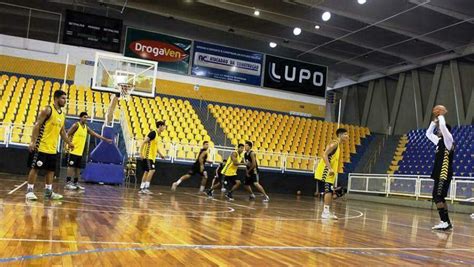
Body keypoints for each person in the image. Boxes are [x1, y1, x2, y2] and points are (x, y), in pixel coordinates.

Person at [26, 90, 74, 201]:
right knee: (35, 168)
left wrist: (69, 142)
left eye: (65, 99)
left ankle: (48, 192)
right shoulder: (47, 110)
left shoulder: (62, 115)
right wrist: (33, 141)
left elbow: (62, 132)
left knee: (51, 170)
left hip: (52, 149)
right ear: (56, 98)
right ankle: (29, 191)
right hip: (41, 146)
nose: (65, 101)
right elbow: (37, 125)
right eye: (63, 98)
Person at [65, 112, 112, 190]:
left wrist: (105, 139)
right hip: (72, 150)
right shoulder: (76, 125)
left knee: (78, 168)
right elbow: (67, 134)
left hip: (80, 151)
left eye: (87, 117)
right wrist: (68, 144)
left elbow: (95, 134)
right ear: (80, 118)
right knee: (71, 166)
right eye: (84, 117)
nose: (86, 119)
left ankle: (76, 183)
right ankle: (68, 183)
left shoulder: (86, 127)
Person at [426, 105, 454, 231]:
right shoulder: (439, 142)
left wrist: (441, 115)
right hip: (438, 173)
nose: (438, 130)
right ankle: (446, 222)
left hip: (444, 172)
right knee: (439, 197)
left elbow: (443, 126)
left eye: (439, 129)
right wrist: (434, 121)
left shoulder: (449, 140)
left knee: (437, 197)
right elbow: (428, 133)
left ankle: (444, 221)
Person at [314, 128, 349, 220]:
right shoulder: (335, 143)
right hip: (325, 171)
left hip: (327, 172)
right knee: (328, 191)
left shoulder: (338, 145)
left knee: (329, 191)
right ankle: (325, 213)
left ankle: (326, 212)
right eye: (345, 134)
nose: (347, 136)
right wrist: (329, 168)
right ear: (340, 135)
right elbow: (324, 154)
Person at [138, 120, 166, 194]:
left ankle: (141, 188)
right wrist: (140, 153)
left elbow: (155, 147)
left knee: (147, 171)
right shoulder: (153, 133)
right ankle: (146, 188)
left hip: (152, 157)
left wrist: (160, 154)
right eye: (164, 126)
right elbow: (144, 142)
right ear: (160, 126)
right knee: (152, 170)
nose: (164, 128)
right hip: (148, 156)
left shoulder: (157, 135)